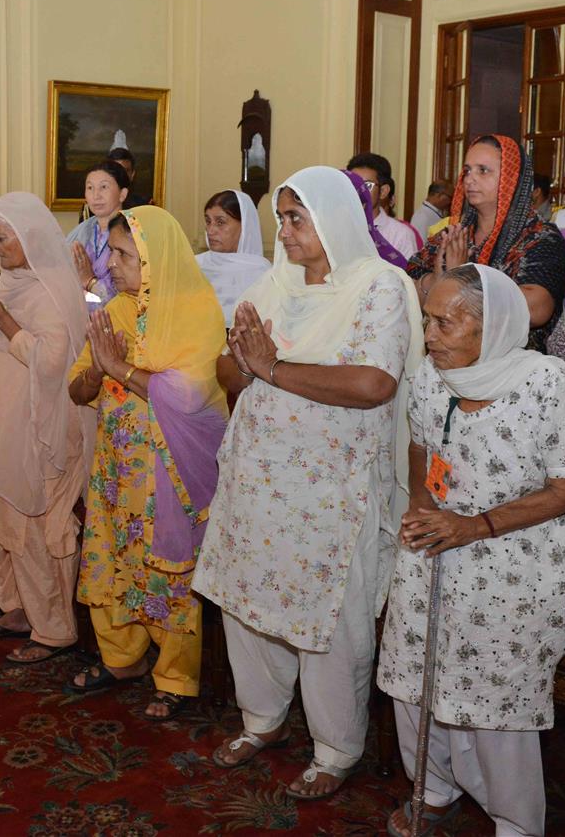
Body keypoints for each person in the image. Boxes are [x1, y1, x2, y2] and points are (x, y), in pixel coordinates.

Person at [195, 167, 422, 800]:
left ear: (334, 220)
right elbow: (228, 357)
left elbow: (374, 383)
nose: (285, 232)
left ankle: (336, 747)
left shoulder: (379, 286)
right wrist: (245, 366)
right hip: (259, 476)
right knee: (250, 603)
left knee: (330, 620)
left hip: (333, 486)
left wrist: (272, 367)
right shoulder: (277, 281)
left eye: (296, 219)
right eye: (282, 219)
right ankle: (261, 719)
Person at [378, 263, 565, 837]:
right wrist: (424, 507)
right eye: (428, 320)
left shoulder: (547, 382)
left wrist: (474, 526)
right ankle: (434, 785)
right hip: (440, 537)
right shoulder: (432, 375)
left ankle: (515, 817)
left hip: (518, 554)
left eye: (446, 324)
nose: (429, 336)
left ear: (492, 325)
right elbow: (421, 445)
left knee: (496, 688)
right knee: (414, 670)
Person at [65, 206, 228, 721]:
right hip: (117, 469)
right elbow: (76, 388)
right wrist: (97, 375)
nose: (110, 264)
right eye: (110, 252)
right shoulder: (111, 314)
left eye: (123, 254)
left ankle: (176, 677)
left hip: (168, 474)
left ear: (155, 259)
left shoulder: (197, 312)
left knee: (165, 568)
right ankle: (122, 658)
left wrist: (121, 368)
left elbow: (191, 395)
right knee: (113, 557)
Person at [0, 192, 92, 663]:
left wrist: (2, 319)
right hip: (4, 414)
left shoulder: (56, 286)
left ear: (31, 235)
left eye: (2, 237)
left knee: (33, 522)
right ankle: (14, 608)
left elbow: (54, 361)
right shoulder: (13, 281)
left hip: (43, 423)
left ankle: (54, 628)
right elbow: (6, 341)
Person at [407, 135, 565, 352]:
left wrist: (459, 283)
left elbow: (537, 309)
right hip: (443, 359)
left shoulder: (540, 238)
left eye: (483, 170)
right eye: (467, 170)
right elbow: (407, 290)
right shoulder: (453, 235)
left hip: (512, 368)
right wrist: (436, 279)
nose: (470, 179)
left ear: (511, 178)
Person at [194, 189, 271, 326]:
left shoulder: (262, 272)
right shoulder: (194, 265)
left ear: (244, 226)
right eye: (208, 221)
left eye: (220, 222)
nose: (210, 230)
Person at [66, 160, 130, 304]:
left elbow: (128, 297)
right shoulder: (80, 232)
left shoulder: (131, 233)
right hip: (81, 317)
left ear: (122, 194)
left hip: (120, 318)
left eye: (103, 187)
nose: (96, 195)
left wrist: (90, 282)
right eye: (90, 188)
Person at [347, 152, 423, 262]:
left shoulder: (400, 234)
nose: (359, 191)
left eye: (367, 185)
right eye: (352, 184)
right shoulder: (336, 227)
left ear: (383, 191)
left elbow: (408, 277)